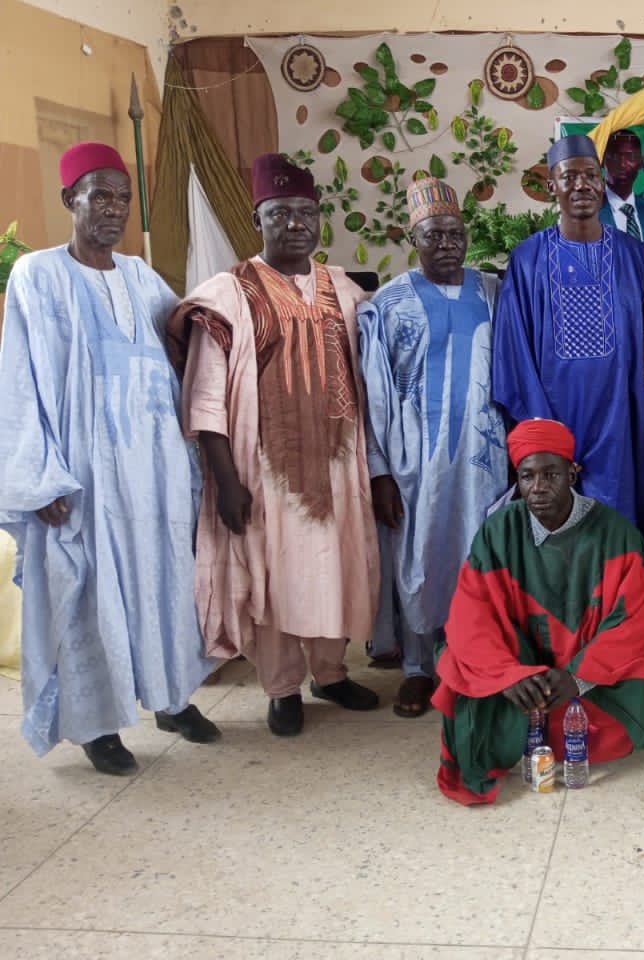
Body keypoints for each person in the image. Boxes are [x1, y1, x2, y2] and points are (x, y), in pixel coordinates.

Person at [0, 142, 220, 774]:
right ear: (70, 199)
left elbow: (185, 343)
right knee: (92, 590)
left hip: (155, 470)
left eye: (123, 197)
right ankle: (97, 725)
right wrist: (40, 478)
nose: (114, 208)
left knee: (166, 580)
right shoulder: (38, 275)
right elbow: (19, 380)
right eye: (99, 195)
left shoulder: (141, 277)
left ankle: (172, 697)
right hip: (84, 474)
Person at [165, 153, 381, 737]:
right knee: (276, 575)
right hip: (264, 469)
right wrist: (226, 482)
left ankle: (331, 674)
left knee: (337, 567)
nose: (295, 224)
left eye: (305, 212)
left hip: (338, 463)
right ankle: (282, 687)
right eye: (280, 212)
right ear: (257, 219)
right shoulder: (228, 294)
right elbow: (205, 398)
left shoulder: (343, 289)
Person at [431, 419, 644, 805]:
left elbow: (633, 620)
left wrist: (578, 677)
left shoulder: (616, 533)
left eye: (551, 474)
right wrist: (506, 675)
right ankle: (531, 722)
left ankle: (533, 728)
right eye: (527, 476)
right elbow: (472, 611)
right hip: (520, 668)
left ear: (572, 474)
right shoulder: (499, 530)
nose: (538, 487)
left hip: (590, 671)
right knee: (458, 664)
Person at [358, 176, 508, 718]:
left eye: (455, 234)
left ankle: (472, 660)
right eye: (433, 235)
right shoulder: (388, 304)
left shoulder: (493, 292)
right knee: (418, 558)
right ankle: (419, 669)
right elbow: (372, 394)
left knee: (478, 556)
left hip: (483, 458)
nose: (447, 244)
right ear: (412, 238)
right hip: (414, 460)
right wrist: (379, 470)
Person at [492, 133, 644, 548]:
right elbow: (514, 350)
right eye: (569, 177)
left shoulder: (633, 255)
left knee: (618, 528)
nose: (581, 185)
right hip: (552, 418)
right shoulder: (528, 259)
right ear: (552, 186)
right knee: (558, 536)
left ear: (603, 182)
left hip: (621, 420)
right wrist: (543, 431)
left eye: (590, 176)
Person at [598, 128, 644, 267]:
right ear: (603, 160)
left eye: (630, 157)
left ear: (641, 162)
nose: (623, 164)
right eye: (615, 156)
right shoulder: (590, 215)